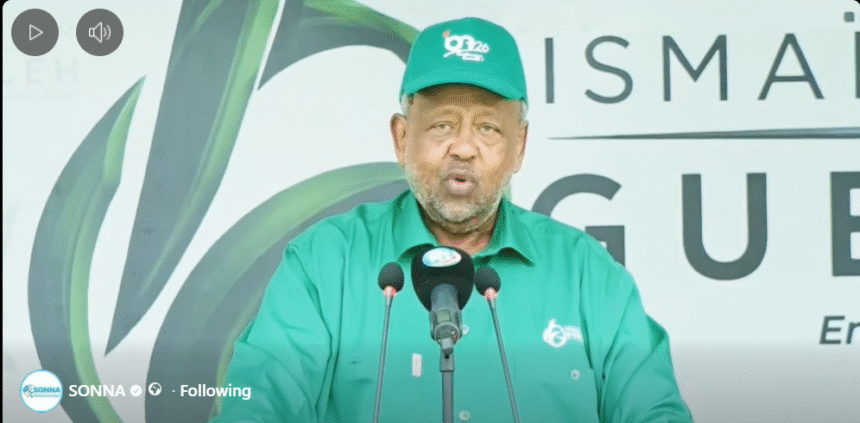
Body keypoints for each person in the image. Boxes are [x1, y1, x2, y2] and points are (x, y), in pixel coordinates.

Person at [211, 17, 693, 422]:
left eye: (488, 128)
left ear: (519, 147)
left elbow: (655, 411)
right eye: (442, 125)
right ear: (402, 138)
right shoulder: (326, 262)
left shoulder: (586, 273)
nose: (463, 147)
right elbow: (255, 408)